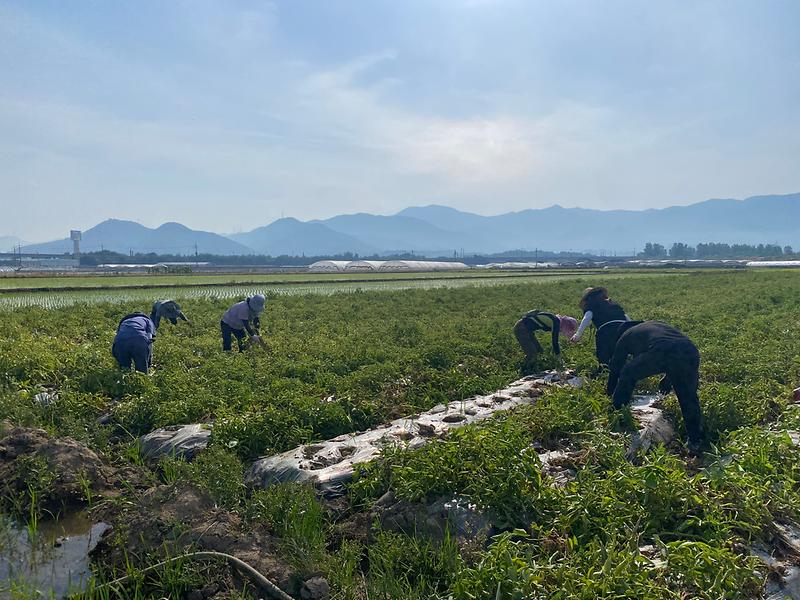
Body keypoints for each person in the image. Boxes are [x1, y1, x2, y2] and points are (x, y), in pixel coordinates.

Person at [605, 320, 703, 453]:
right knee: (688, 396)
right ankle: (695, 441)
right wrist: (669, 378)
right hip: (690, 350)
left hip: (664, 350)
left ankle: (618, 413)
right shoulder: (655, 325)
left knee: (628, 372)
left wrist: (610, 393)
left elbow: (616, 368)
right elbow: (675, 350)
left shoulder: (625, 335)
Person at [570, 287, 631, 366]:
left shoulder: (591, 306)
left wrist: (577, 335)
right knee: (621, 354)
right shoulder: (614, 304)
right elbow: (626, 317)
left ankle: (604, 372)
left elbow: (586, 319)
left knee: (603, 356)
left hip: (606, 332)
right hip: (623, 329)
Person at [514, 310, 578, 368]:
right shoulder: (556, 322)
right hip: (521, 328)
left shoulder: (557, 320)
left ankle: (533, 366)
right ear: (566, 325)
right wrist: (559, 358)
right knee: (532, 354)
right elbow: (555, 342)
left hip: (527, 330)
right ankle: (524, 369)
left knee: (540, 351)